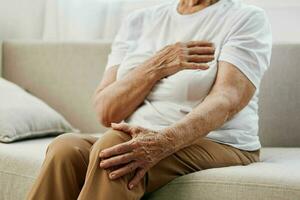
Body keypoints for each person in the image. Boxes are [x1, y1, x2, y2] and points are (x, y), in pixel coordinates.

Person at [27, 0, 272, 199]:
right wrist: (156, 65)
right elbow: (106, 111)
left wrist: (163, 141)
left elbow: (227, 99)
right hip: (136, 134)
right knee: (65, 149)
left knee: (115, 150)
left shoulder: (245, 18)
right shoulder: (139, 20)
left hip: (220, 141)